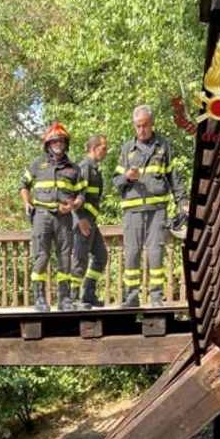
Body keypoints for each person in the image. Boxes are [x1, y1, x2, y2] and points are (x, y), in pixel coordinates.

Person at [113, 105, 189, 307]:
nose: (141, 130)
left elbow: (175, 178)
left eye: (145, 125)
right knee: (132, 254)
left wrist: (182, 202)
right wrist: (127, 178)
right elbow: (115, 182)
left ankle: (156, 297)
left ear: (152, 123)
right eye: (137, 126)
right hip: (132, 213)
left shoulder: (163, 146)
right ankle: (131, 297)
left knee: (156, 253)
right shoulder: (127, 149)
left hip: (157, 212)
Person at [20, 122, 85, 312]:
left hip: (64, 218)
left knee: (65, 257)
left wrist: (74, 205)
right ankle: (39, 297)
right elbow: (23, 185)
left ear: (66, 143)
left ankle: (64, 299)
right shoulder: (37, 165)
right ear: (48, 144)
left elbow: (81, 195)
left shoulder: (74, 169)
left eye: (61, 141)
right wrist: (27, 201)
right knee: (41, 256)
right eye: (54, 140)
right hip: (42, 216)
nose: (58, 143)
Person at [71, 135, 109, 309]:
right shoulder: (84, 167)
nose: (106, 152)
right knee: (80, 259)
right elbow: (75, 195)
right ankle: (72, 298)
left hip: (92, 221)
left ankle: (88, 293)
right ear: (93, 149)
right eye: (103, 148)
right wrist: (80, 219)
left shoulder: (94, 168)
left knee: (101, 256)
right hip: (83, 221)